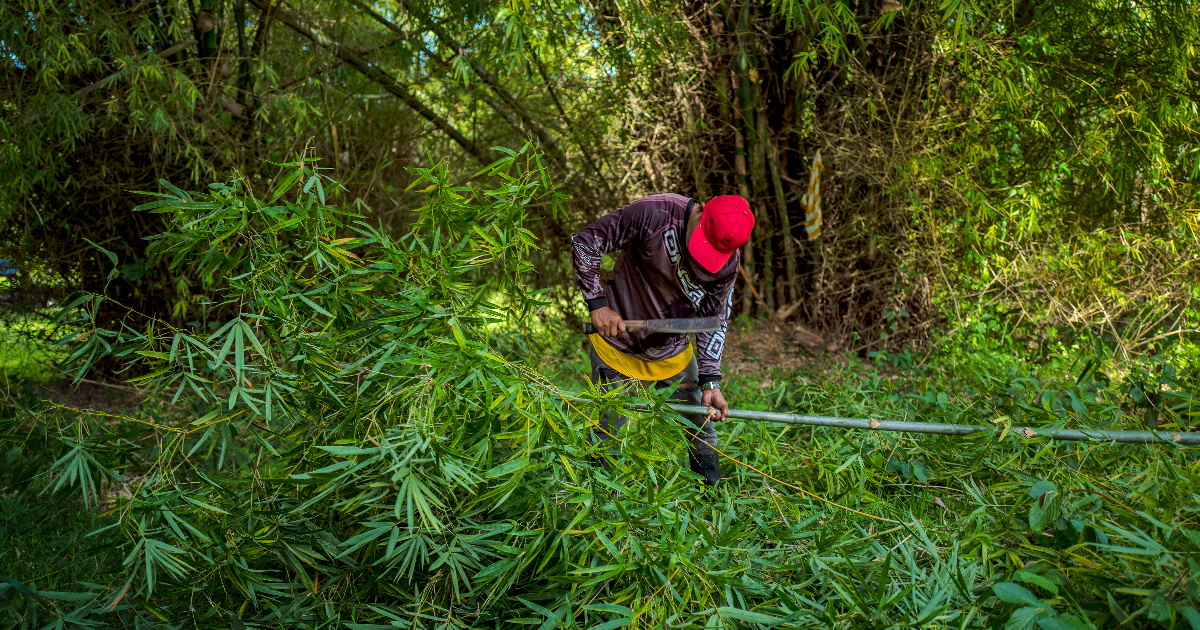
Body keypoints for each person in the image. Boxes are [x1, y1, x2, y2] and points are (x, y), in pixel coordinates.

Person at [571, 193, 754, 487]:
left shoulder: (727, 263)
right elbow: (586, 242)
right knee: (608, 430)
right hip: (617, 346)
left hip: (673, 350)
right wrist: (598, 306)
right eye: (703, 241)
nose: (703, 256)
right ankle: (600, 500)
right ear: (702, 210)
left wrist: (711, 381)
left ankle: (710, 501)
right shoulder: (654, 214)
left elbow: (713, 321)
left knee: (701, 424)